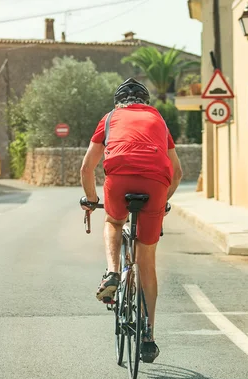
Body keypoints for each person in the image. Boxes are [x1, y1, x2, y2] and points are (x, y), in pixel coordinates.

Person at [79, 78, 183, 363]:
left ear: (118, 102)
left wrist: (90, 199)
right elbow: (177, 172)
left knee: (113, 222)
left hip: (120, 178)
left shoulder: (110, 118)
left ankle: (112, 272)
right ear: (145, 102)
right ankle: (148, 336)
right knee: (146, 260)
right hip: (155, 185)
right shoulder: (158, 120)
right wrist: (162, 201)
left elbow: (87, 167)